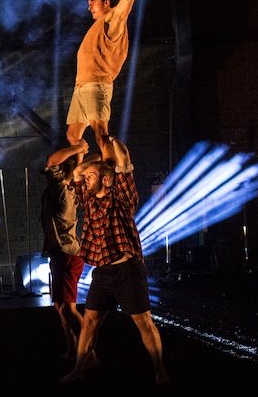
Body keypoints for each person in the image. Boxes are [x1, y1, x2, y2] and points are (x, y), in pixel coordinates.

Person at [60, 137, 169, 386]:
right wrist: (96, 158)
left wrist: (110, 143)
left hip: (127, 270)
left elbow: (124, 160)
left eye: (92, 176)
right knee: (89, 321)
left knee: (143, 321)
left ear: (105, 180)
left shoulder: (121, 197)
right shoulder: (88, 200)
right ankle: (79, 368)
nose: (86, 179)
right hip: (103, 273)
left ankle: (160, 372)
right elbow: (77, 171)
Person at [66, 0, 166, 160]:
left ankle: (110, 176)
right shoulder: (103, 22)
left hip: (96, 84)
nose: (89, 6)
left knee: (100, 134)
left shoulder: (114, 21)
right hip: (81, 86)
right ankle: (80, 176)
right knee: (73, 136)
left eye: (93, 1)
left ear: (106, 4)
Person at [40, 140, 91, 361]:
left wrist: (78, 148)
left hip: (68, 255)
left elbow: (51, 161)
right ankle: (72, 350)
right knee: (60, 308)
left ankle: (90, 355)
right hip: (60, 254)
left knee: (69, 310)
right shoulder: (69, 188)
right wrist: (79, 154)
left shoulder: (62, 191)